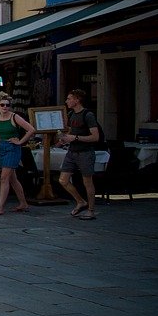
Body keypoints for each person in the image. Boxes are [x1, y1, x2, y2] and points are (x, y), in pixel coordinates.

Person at [57, 89, 102, 221]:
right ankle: (80, 201)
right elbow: (70, 131)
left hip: (85, 152)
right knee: (63, 180)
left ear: (77, 100)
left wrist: (75, 138)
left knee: (87, 181)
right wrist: (62, 139)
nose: (67, 101)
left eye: (69, 98)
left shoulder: (88, 115)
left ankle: (91, 210)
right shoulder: (71, 114)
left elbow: (95, 137)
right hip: (72, 151)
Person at [0, 93, 35, 216]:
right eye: (2, 105)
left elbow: (31, 129)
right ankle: (23, 203)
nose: (5, 107)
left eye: (7, 105)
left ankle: (0, 207)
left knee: (4, 178)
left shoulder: (15, 117)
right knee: (12, 178)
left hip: (12, 148)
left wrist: (20, 141)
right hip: (2, 147)